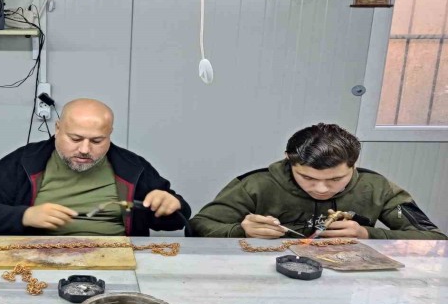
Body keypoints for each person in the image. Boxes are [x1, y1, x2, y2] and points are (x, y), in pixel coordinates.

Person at [0, 98, 191, 236]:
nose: (84, 149)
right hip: (37, 257)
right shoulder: (25, 161)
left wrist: (172, 205)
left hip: (117, 259)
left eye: (97, 141)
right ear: (57, 129)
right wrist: (24, 216)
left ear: (110, 135)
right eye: (75, 139)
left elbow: (176, 220)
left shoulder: (132, 167)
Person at [191, 123, 446, 240]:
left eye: (336, 179)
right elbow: (198, 227)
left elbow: (434, 239)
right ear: (289, 160)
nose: (321, 189)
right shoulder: (255, 185)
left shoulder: (377, 188)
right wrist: (242, 230)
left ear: (353, 164)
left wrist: (367, 233)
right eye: (307, 177)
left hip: (349, 283)